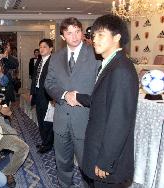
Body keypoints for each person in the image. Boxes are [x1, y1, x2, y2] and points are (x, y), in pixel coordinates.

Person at [68, 14, 139, 188]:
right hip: (99, 150)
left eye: (101, 35)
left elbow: (119, 121)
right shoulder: (109, 63)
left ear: (117, 37)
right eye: (94, 35)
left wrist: (106, 161)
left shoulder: (121, 69)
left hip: (108, 161)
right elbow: (103, 101)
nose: (94, 40)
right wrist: (78, 97)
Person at [44, 17, 100, 187]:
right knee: (62, 162)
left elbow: (102, 86)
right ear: (63, 37)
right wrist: (63, 94)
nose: (75, 36)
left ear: (82, 33)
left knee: (87, 165)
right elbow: (49, 83)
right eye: (69, 33)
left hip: (85, 120)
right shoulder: (56, 57)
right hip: (61, 119)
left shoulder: (96, 54)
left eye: (77, 31)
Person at [30, 39, 54, 154]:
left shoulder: (53, 61)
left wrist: (53, 97)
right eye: (40, 47)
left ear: (51, 49)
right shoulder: (39, 61)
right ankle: (44, 141)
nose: (41, 49)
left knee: (47, 121)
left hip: (47, 95)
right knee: (40, 119)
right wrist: (31, 93)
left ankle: (48, 144)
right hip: (38, 93)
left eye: (44, 47)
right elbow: (34, 78)